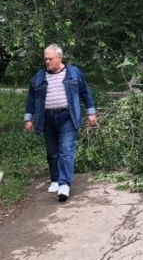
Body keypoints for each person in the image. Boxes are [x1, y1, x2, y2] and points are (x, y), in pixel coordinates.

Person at [23, 44, 97, 202]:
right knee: (52, 152)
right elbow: (31, 98)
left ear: (59, 58)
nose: (47, 62)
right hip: (47, 118)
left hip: (67, 117)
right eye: (45, 59)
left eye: (50, 59)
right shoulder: (39, 76)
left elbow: (85, 92)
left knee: (66, 150)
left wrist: (91, 112)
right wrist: (28, 118)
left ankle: (64, 184)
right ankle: (55, 179)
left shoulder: (73, 73)